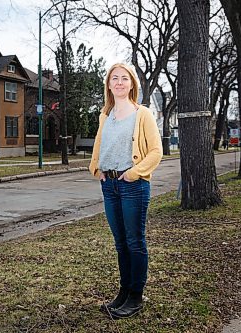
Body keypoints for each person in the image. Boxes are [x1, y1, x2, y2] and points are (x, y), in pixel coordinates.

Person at [89, 63, 163, 319]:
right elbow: (99, 145)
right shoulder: (105, 115)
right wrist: (95, 168)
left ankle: (135, 296)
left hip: (133, 186)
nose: (119, 82)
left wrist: (133, 173)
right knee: (121, 244)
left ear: (132, 84)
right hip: (109, 186)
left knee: (134, 242)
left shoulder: (142, 114)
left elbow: (156, 152)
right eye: (114, 79)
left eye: (124, 78)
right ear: (108, 85)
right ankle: (123, 292)